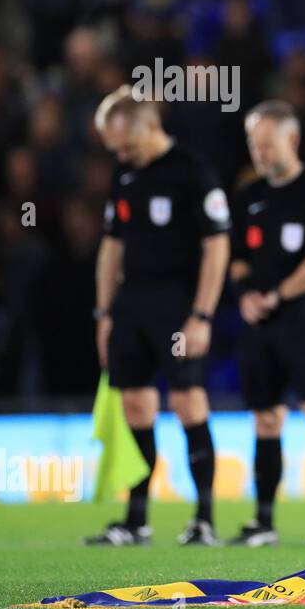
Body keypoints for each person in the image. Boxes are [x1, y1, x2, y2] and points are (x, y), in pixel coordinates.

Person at [87, 87, 230, 546]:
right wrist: (105, 313)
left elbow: (217, 245)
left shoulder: (192, 170)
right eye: (115, 148)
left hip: (178, 302)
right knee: (135, 405)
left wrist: (202, 315)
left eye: (125, 144)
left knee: (188, 402)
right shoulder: (125, 175)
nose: (121, 154)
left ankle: (204, 517)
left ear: (149, 126)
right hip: (132, 304)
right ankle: (135, 519)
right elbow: (112, 247)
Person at [227, 100, 305, 549]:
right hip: (260, 325)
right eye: (253, 144)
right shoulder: (247, 198)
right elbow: (236, 259)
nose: (259, 153)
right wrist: (245, 296)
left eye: (266, 143)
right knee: (265, 419)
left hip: (304, 319)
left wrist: (278, 295)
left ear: (292, 139)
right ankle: (263, 522)